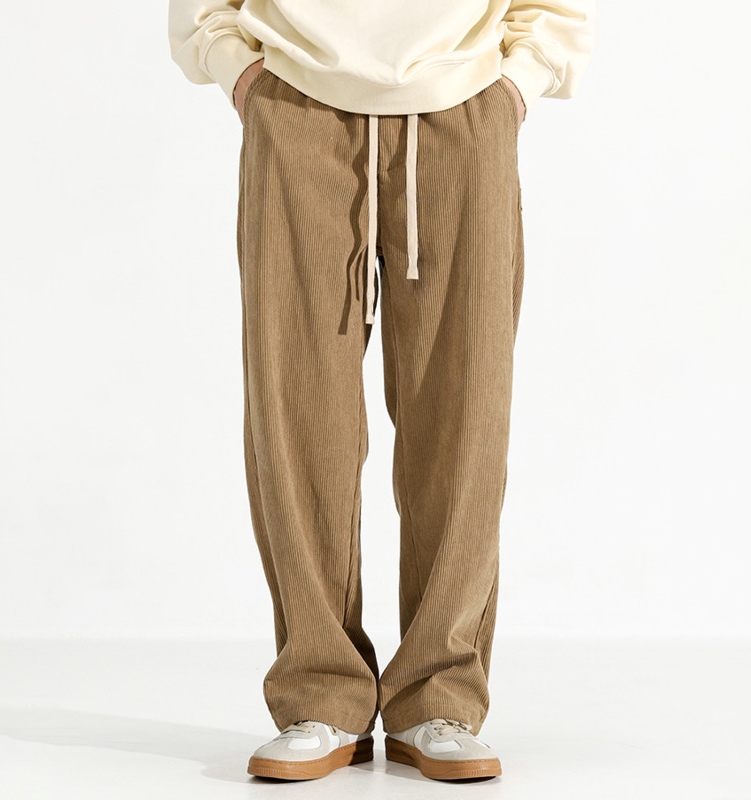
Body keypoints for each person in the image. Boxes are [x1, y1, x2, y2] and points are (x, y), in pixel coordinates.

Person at [168, 0, 595, 782]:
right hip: (296, 103)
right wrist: (242, 76)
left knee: (465, 412)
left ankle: (440, 695)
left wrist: (515, 86)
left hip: (463, 107)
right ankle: (318, 693)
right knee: (296, 411)